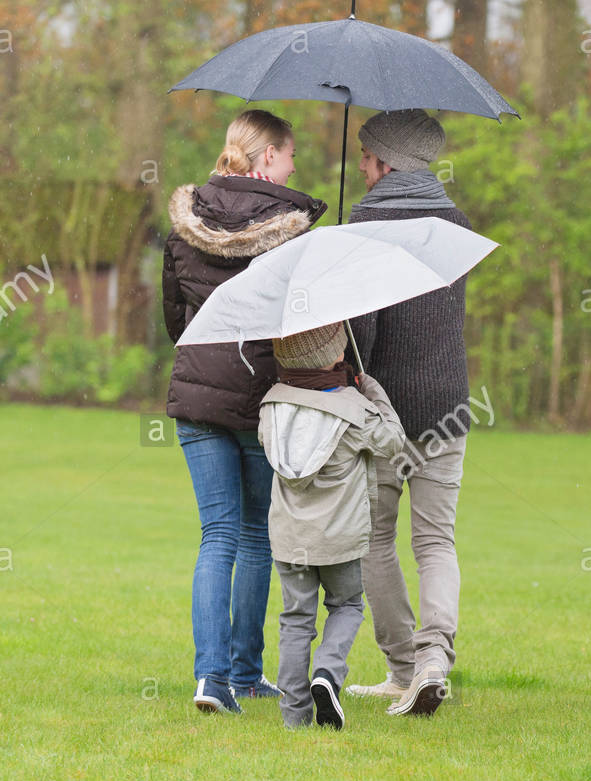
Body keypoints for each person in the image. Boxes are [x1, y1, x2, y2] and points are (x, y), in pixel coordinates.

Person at [162, 109, 327, 715]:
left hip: (197, 399)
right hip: (262, 399)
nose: (292, 167)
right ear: (265, 159)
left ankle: (211, 680)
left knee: (217, 535)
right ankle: (243, 671)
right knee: (256, 534)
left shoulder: (184, 228)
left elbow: (176, 322)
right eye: (288, 156)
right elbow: (305, 322)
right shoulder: (293, 233)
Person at [341, 109, 473, 717]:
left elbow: (363, 331)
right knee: (436, 542)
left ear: (387, 163)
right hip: (448, 404)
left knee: (375, 540)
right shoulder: (456, 222)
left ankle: (401, 669)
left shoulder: (366, 223)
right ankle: (433, 661)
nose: (362, 168)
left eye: (366, 158)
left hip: (386, 409)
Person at [256, 324, 406, 730]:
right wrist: (372, 391)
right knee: (346, 606)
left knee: (296, 619)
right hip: (338, 539)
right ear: (334, 354)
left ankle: (294, 715)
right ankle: (327, 672)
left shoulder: (270, 406)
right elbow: (393, 441)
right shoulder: (354, 410)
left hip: (290, 540)